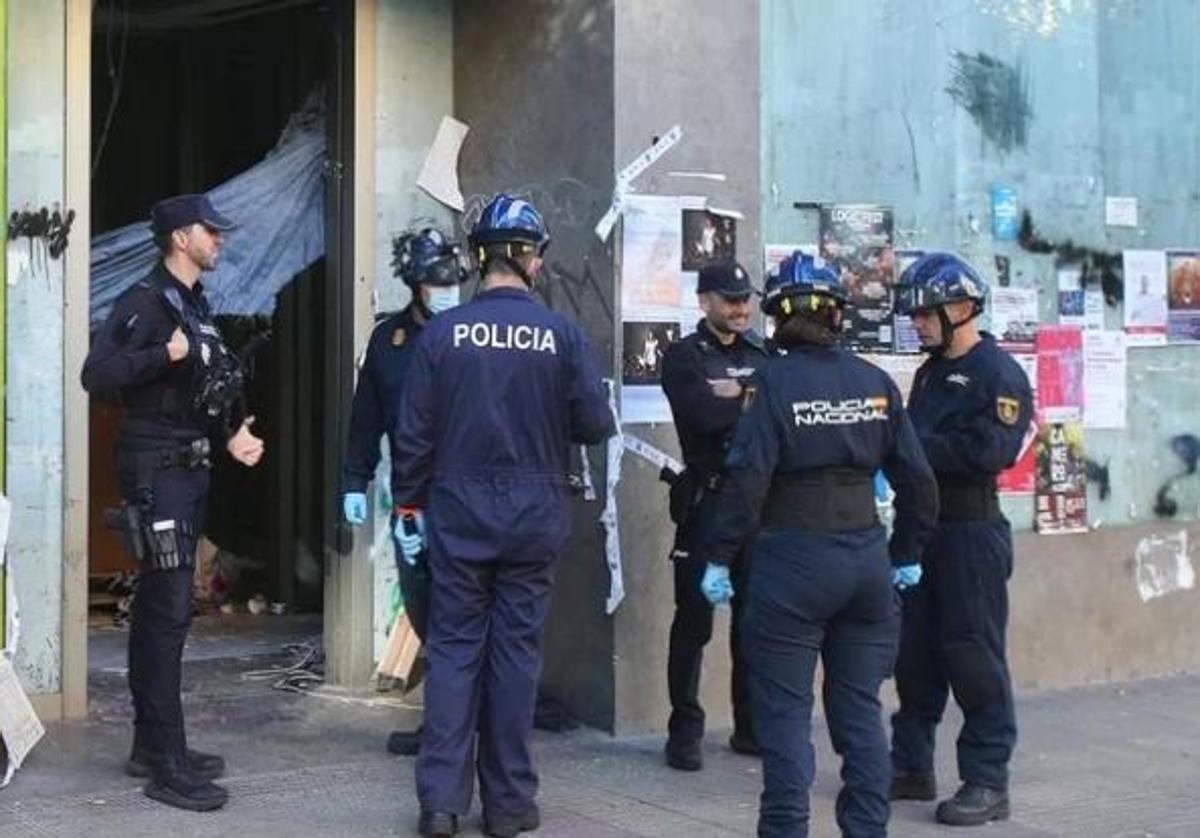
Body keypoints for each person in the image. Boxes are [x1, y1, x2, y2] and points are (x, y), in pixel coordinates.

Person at [391, 194, 614, 837]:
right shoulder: (561, 336)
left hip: (458, 514)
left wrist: (410, 505)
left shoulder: (442, 335)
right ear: (531, 261)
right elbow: (595, 423)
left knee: (455, 654)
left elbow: (413, 435)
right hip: (534, 513)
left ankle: (441, 804)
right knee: (516, 657)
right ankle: (510, 805)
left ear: (478, 259)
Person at [699, 252, 939, 837]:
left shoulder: (771, 384)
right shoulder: (874, 382)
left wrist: (719, 558)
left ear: (778, 320)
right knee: (859, 716)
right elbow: (919, 482)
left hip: (791, 566)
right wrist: (905, 555)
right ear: (838, 316)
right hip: (865, 565)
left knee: (783, 720)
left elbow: (748, 479)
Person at [81, 194, 265, 812]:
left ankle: (149, 746)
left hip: (186, 470)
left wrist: (229, 436)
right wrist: (165, 354)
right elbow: (97, 374)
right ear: (181, 237)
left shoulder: (194, 305)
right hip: (157, 472)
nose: (221, 240)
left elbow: (200, 394)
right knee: (165, 616)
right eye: (211, 232)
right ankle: (168, 763)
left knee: (167, 612)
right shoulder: (145, 303)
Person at [888, 252, 1034, 827]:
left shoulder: (998, 374)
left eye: (926, 314)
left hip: (971, 531)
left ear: (960, 308)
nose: (918, 324)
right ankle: (911, 766)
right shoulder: (928, 372)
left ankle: (987, 779)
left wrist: (915, 449)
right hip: (925, 530)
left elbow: (990, 452)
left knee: (972, 656)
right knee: (914, 655)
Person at [340, 227, 468, 756]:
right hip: (412, 497)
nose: (448, 289)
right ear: (416, 283)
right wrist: (354, 479)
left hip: (467, 495)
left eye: (454, 280)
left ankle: (460, 724)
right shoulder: (389, 341)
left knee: (463, 609)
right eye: (438, 281)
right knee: (424, 607)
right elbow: (366, 416)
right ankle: (442, 719)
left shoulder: (471, 334)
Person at [659, 258, 769, 771]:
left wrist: (736, 397)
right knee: (695, 622)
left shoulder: (759, 354)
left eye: (745, 299)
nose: (741, 307)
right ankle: (684, 729)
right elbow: (703, 417)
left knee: (753, 623)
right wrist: (751, 400)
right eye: (730, 299)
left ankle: (749, 728)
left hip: (753, 506)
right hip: (707, 502)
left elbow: (773, 418)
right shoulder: (684, 357)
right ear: (705, 302)